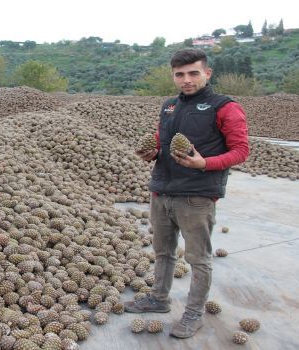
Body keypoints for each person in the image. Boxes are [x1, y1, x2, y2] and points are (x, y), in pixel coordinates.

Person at [124, 49, 250, 339]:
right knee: (163, 252)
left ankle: (194, 314)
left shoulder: (225, 107)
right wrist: (150, 152)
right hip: (162, 191)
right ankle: (158, 299)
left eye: (193, 73)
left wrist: (204, 163)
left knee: (198, 259)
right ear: (174, 76)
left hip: (197, 196)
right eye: (180, 74)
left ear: (207, 73)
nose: (186, 80)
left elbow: (241, 151)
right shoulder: (169, 106)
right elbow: (162, 140)